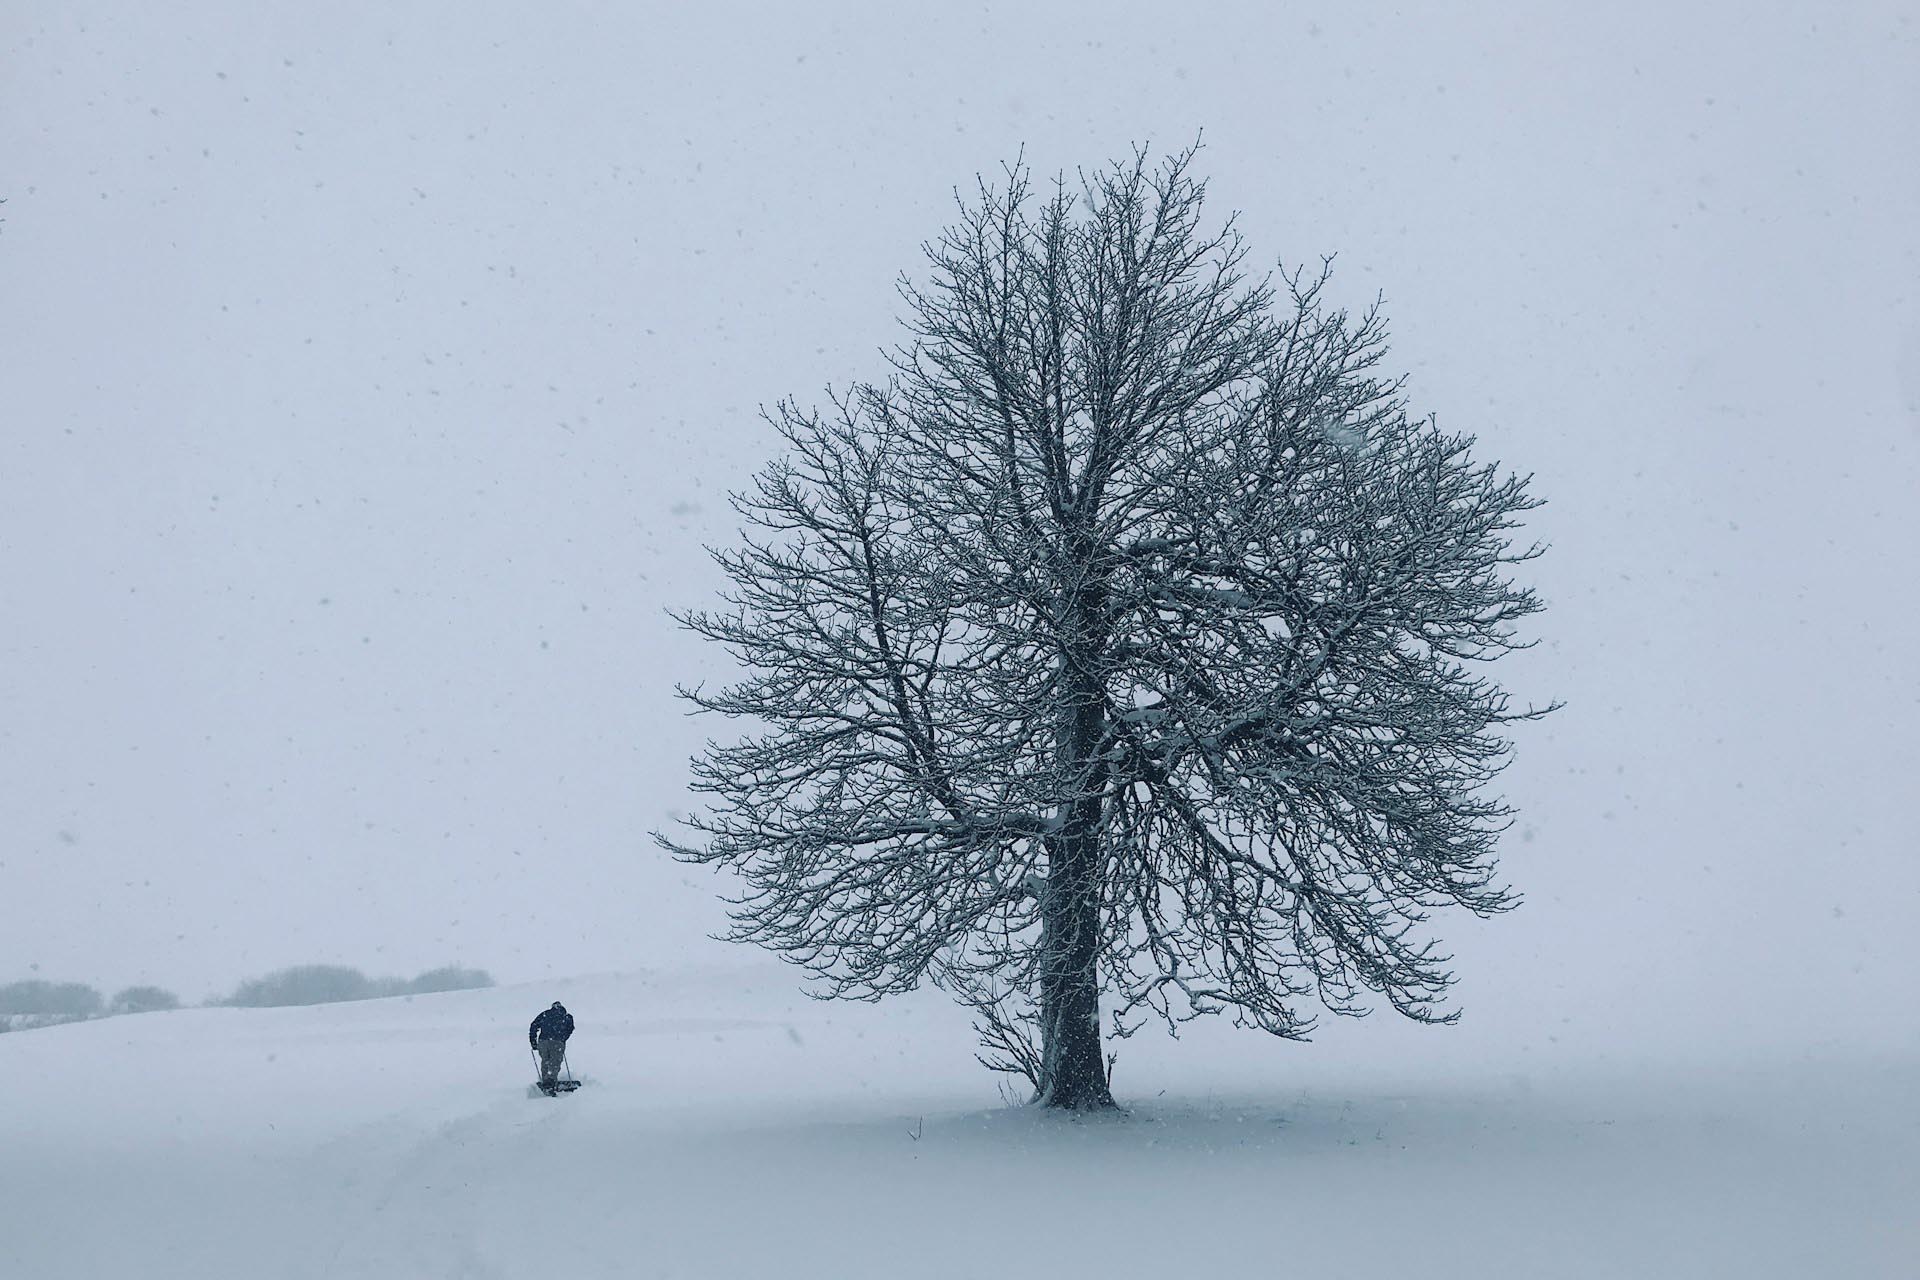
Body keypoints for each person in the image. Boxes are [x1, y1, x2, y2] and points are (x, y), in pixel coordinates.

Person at [528, 1001, 575, 1094]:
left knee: (545, 1060)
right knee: (555, 1062)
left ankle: (546, 1081)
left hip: (543, 1041)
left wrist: (533, 1041)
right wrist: (563, 1038)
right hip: (557, 1041)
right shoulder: (566, 1016)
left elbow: (534, 1025)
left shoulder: (545, 1014)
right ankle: (550, 1083)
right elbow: (570, 1028)